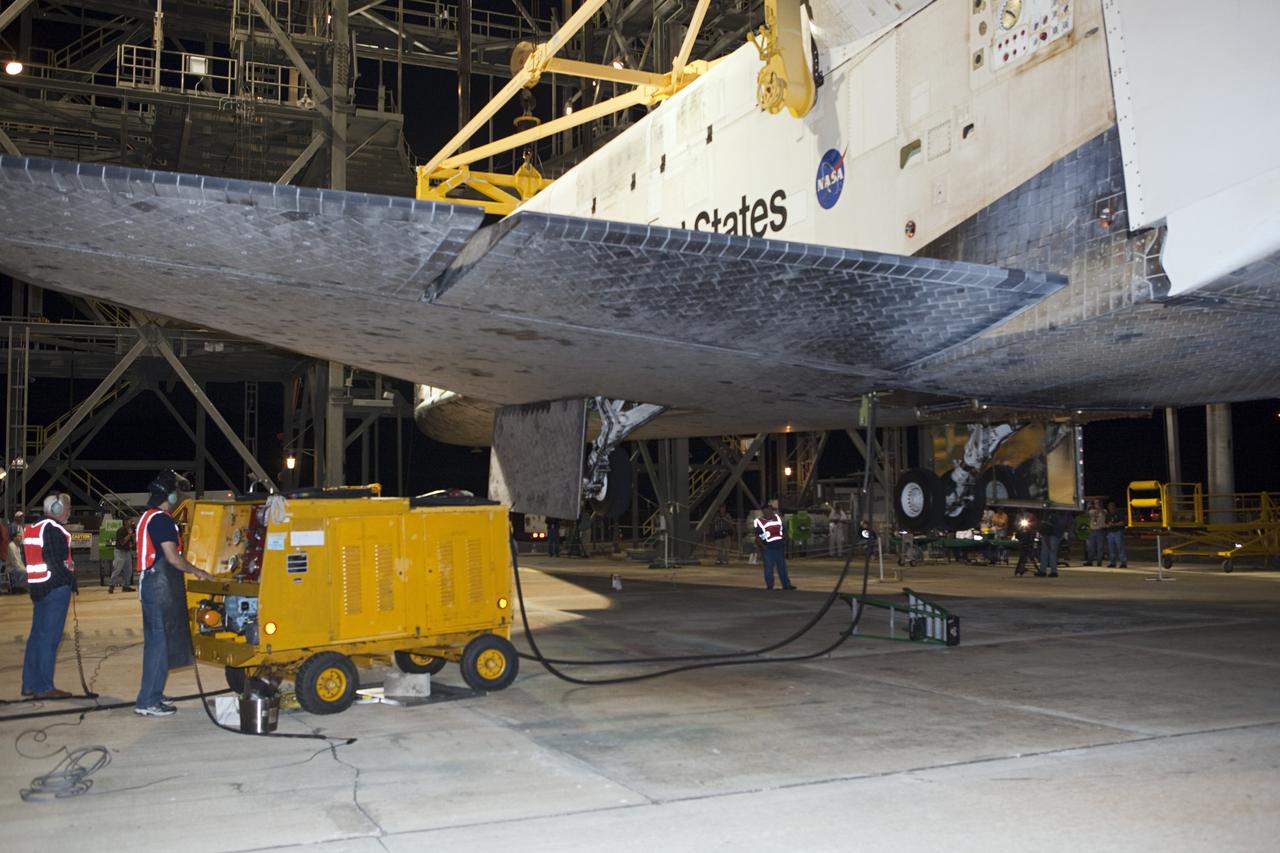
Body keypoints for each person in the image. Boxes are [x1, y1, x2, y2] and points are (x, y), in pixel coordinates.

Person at [135, 470, 212, 717]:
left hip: (151, 583)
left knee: (157, 641)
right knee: (159, 642)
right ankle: (148, 700)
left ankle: (154, 693)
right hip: (160, 586)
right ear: (168, 494)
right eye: (175, 492)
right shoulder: (162, 520)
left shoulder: (147, 516)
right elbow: (172, 558)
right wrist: (199, 572)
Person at [21, 493, 76, 699]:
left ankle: (29, 684)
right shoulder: (52, 529)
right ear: (56, 509)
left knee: (36, 637)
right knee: (49, 640)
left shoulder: (33, 528)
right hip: (54, 589)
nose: (69, 512)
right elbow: (54, 561)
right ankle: (44, 686)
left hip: (38, 589)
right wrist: (68, 578)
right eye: (68, 508)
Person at [753, 506, 795, 590]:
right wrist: (763, 546)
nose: (768, 514)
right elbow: (757, 537)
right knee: (769, 569)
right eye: (766, 512)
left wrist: (784, 540)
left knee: (782, 568)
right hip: (768, 549)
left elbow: (784, 531)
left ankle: (786, 585)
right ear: (763, 512)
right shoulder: (759, 522)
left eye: (769, 511)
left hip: (779, 547)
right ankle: (770, 586)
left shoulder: (778, 519)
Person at [1037, 510, 1067, 577]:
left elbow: (1046, 526)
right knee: (1052, 552)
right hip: (1056, 534)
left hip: (1051, 534)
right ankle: (1052, 571)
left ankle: (1045, 570)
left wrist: (1045, 535)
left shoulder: (1049, 515)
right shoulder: (1063, 515)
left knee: (1046, 552)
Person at [108, 522, 135, 593]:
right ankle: (111, 586)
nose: (132, 523)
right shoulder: (121, 530)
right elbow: (122, 542)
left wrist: (132, 536)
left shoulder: (131, 530)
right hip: (119, 552)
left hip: (127, 552)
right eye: (131, 521)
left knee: (129, 570)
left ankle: (126, 586)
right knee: (117, 569)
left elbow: (133, 543)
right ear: (126, 522)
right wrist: (129, 535)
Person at [1105, 500, 1128, 568]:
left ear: (1114, 507)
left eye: (1111, 506)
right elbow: (1106, 523)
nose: (1110, 508)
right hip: (1110, 532)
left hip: (1118, 531)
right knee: (1111, 548)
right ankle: (1112, 562)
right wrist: (1108, 525)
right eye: (1109, 507)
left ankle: (1123, 562)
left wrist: (1115, 524)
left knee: (1120, 547)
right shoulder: (1108, 514)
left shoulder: (1119, 513)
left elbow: (1123, 522)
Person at [1084, 500, 1106, 566]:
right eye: (1095, 503)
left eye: (1097, 503)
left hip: (1100, 531)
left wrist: (1099, 508)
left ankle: (1099, 562)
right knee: (1091, 547)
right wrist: (1088, 507)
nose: (1096, 504)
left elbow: (1104, 514)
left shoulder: (1104, 511)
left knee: (1100, 547)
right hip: (1092, 531)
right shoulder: (1092, 511)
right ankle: (1089, 561)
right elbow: (1085, 514)